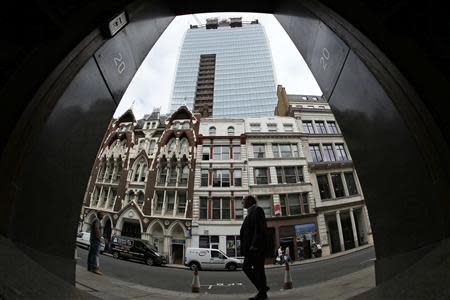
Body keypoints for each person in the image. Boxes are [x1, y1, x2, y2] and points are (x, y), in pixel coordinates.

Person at [240, 195, 270, 300]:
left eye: (243, 201)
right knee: (257, 270)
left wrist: (255, 245)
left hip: (256, 248)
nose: (242, 203)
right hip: (251, 249)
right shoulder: (248, 215)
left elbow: (260, 229)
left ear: (249, 201)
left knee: (253, 269)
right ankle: (262, 291)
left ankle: (262, 290)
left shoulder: (258, 210)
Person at [87, 211, 104, 275]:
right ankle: (95, 268)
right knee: (95, 254)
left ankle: (90, 267)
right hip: (95, 240)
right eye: (102, 215)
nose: (103, 216)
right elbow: (96, 229)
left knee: (91, 253)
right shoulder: (97, 220)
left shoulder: (96, 220)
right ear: (99, 215)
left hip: (93, 239)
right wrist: (99, 238)